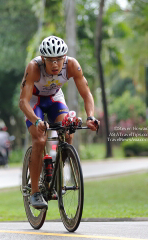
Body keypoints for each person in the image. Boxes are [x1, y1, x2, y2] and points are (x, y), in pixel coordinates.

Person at [19, 35, 99, 209]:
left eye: (58, 60)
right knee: (40, 139)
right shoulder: (34, 67)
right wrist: (37, 120)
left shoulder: (72, 65)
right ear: (43, 59)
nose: (55, 64)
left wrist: (91, 116)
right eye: (50, 61)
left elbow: (86, 94)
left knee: (68, 130)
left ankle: (57, 175)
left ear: (65, 58)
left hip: (55, 98)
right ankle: (35, 192)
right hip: (35, 101)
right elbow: (23, 102)